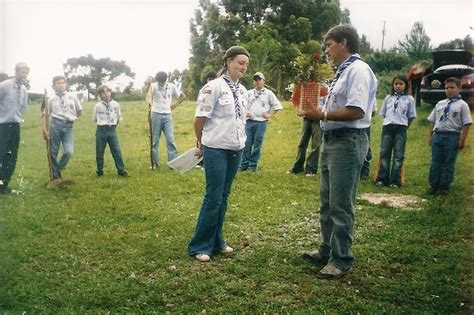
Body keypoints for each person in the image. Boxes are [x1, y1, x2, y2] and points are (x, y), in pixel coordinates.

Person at [301, 25, 377, 279]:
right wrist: (315, 107)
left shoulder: (358, 70)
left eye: (329, 45)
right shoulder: (341, 73)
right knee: (326, 200)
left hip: (348, 141)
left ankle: (341, 258)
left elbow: (357, 111)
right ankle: (326, 248)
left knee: (341, 203)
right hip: (331, 139)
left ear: (344, 42)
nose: (326, 52)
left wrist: (321, 114)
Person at [188, 46, 250, 262]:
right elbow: (199, 120)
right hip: (216, 148)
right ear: (228, 62)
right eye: (240, 62)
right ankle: (200, 246)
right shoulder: (212, 87)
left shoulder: (243, 91)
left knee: (223, 196)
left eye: (246, 64)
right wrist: (202, 142)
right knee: (213, 197)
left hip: (236, 149)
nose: (243, 67)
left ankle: (217, 240)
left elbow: (241, 119)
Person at [427, 77, 471, 195]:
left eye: (452, 87)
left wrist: (462, 140)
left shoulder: (463, 105)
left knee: (448, 162)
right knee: (435, 161)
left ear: (459, 88)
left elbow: (467, 123)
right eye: (447, 88)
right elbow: (432, 120)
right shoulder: (440, 104)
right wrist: (430, 136)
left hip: (452, 136)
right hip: (438, 135)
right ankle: (434, 185)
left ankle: (444, 186)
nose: (449, 90)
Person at [375, 74, 416, 187]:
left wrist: (405, 126)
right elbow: (383, 113)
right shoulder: (388, 98)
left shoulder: (409, 99)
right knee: (384, 153)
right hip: (388, 127)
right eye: (396, 84)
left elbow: (411, 115)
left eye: (401, 84)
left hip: (401, 128)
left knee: (398, 155)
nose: (398, 86)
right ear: (393, 85)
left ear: (406, 85)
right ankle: (382, 179)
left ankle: (395, 180)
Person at [42, 76, 82, 182]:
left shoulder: (72, 97)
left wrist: (70, 118)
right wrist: (44, 129)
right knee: (53, 151)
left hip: (68, 127)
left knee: (69, 152)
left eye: (63, 83)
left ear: (66, 84)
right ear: (54, 86)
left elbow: (79, 111)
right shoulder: (51, 99)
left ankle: (57, 169)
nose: (61, 85)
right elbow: (46, 115)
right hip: (55, 126)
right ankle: (55, 176)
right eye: (58, 83)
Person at [240, 71, 282, 172]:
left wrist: (269, 115)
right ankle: (243, 164)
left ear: (263, 81)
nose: (257, 81)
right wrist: (245, 112)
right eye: (255, 80)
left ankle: (252, 165)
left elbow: (277, 106)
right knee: (246, 143)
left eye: (259, 79)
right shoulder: (249, 93)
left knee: (257, 144)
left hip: (261, 122)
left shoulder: (268, 93)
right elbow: (241, 105)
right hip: (249, 121)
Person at [0, 62, 30, 194]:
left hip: (15, 126)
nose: (24, 75)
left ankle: (3, 186)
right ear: (16, 71)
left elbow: (23, 108)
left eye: (26, 73)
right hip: (2, 126)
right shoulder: (5, 85)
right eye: (22, 72)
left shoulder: (24, 89)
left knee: (11, 157)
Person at [149, 71, 187, 170]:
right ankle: (154, 164)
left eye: (163, 82)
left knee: (170, 139)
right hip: (156, 114)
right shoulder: (153, 86)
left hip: (167, 115)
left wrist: (175, 104)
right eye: (159, 82)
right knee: (154, 140)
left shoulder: (171, 86)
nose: (161, 84)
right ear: (157, 80)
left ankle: (173, 163)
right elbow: (148, 99)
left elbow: (183, 96)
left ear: (166, 80)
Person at [93, 85, 129, 177]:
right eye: (103, 92)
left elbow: (118, 118)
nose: (106, 94)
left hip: (112, 130)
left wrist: (113, 127)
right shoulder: (98, 106)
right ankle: (99, 171)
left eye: (108, 91)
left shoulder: (116, 105)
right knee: (100, 152)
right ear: (100, 95)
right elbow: (95, 119)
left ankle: (121, 170)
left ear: (110, 92)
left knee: (116, 151)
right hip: (101, 130)